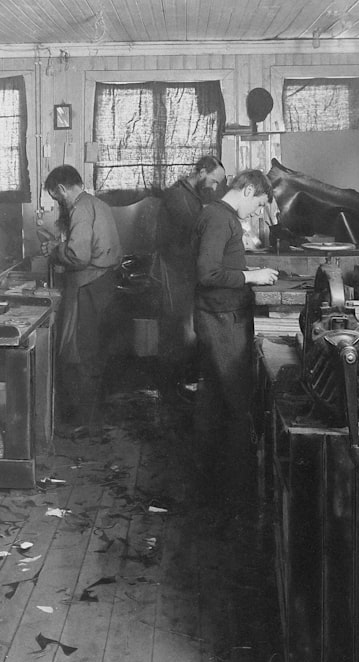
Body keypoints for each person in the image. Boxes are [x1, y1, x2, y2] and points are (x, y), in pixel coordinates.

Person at [192, 169, 278, 507]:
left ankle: (213, 484)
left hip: (221, 313)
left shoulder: (218, 214)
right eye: (258, 205)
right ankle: (232, 491)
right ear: (249, 189)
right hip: (220, 317)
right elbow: (207, 273)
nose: (257, 212)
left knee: (217, 398)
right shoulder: (219, 218)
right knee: (233, 400)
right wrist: (251, 275)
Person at [39, 165, 123, 432]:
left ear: (62, 189)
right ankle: (93, 418)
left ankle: (82, 422)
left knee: (78, 353)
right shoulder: (97, 204)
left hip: (89, 286)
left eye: (56, 197)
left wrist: (55, 249)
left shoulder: (80, 209)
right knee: (94, 353)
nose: (57, 203)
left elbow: (78, 256)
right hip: (104, 284)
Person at [155, 155, 227, 403]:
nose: (214, 188)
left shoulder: (189, 196)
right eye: (214, 181)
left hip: (183, 274)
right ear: (202, 171)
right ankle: (172, 393)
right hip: (176, 274)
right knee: (179, 333)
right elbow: (193, 237)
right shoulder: (179, 197)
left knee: (183, 333)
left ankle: (175, 389)